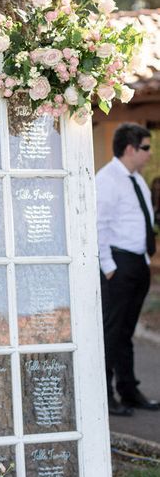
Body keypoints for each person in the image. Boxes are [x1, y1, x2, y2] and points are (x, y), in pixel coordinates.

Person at [96, 122, 159, 416]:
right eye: (146, 148)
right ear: (130, 148)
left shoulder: (137, 180)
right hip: (118, 266)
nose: (149, 154)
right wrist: (109, 268)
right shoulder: (107, 180)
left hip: (137, 263)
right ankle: (105, 395)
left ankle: (129, 390)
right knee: (111, 331)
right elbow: (98, 226)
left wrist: (144, 262)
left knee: (125, 332)